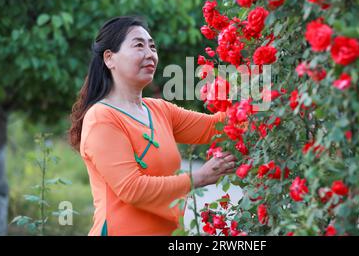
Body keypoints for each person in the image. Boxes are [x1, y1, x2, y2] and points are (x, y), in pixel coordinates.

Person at [68, 16, 237, 235]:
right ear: (109, 58)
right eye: (139, 45)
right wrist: (199, 177)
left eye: (152, 46)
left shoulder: (159, 110)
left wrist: (269, 99)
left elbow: (216, 128)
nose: (150, 54)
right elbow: (132, 189)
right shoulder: (102, 118)